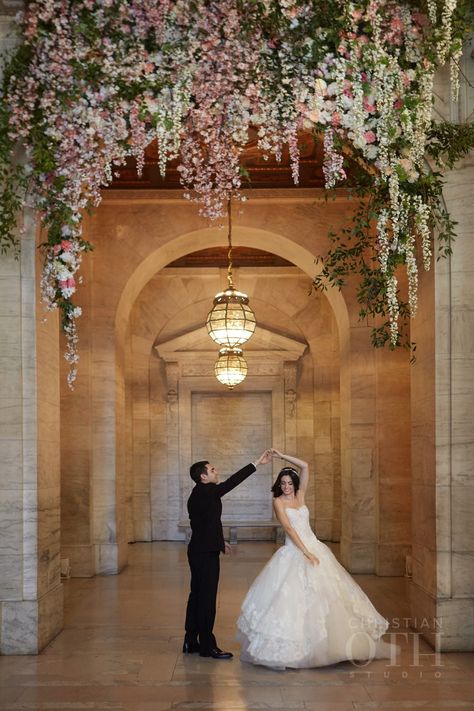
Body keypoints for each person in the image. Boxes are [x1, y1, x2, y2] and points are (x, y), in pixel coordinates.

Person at [237, 449, 394, 669]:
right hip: (295, 550)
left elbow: (306, 466)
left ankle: (339, 644)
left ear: (294, 483)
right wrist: (305, 551)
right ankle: (298, 649)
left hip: (315, 547)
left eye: (289, 483)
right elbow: (290, 529)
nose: (286, 487)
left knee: (330, 595)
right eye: (282, 483)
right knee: (295, 600)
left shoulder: (301, 496)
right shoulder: (278, 502)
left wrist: (282, 455)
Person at [183, 450, 272, 660]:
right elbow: (233, 481)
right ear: (203, 476)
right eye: (212, 470)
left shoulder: (198, 493)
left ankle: (190, 640)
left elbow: (206, 523)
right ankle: (206, 646)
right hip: (204, 554)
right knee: (206, 600)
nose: (216, 472)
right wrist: (257, 462)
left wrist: (219, 541)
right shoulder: (208, 491)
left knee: (196, 596)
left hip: (199, 549)